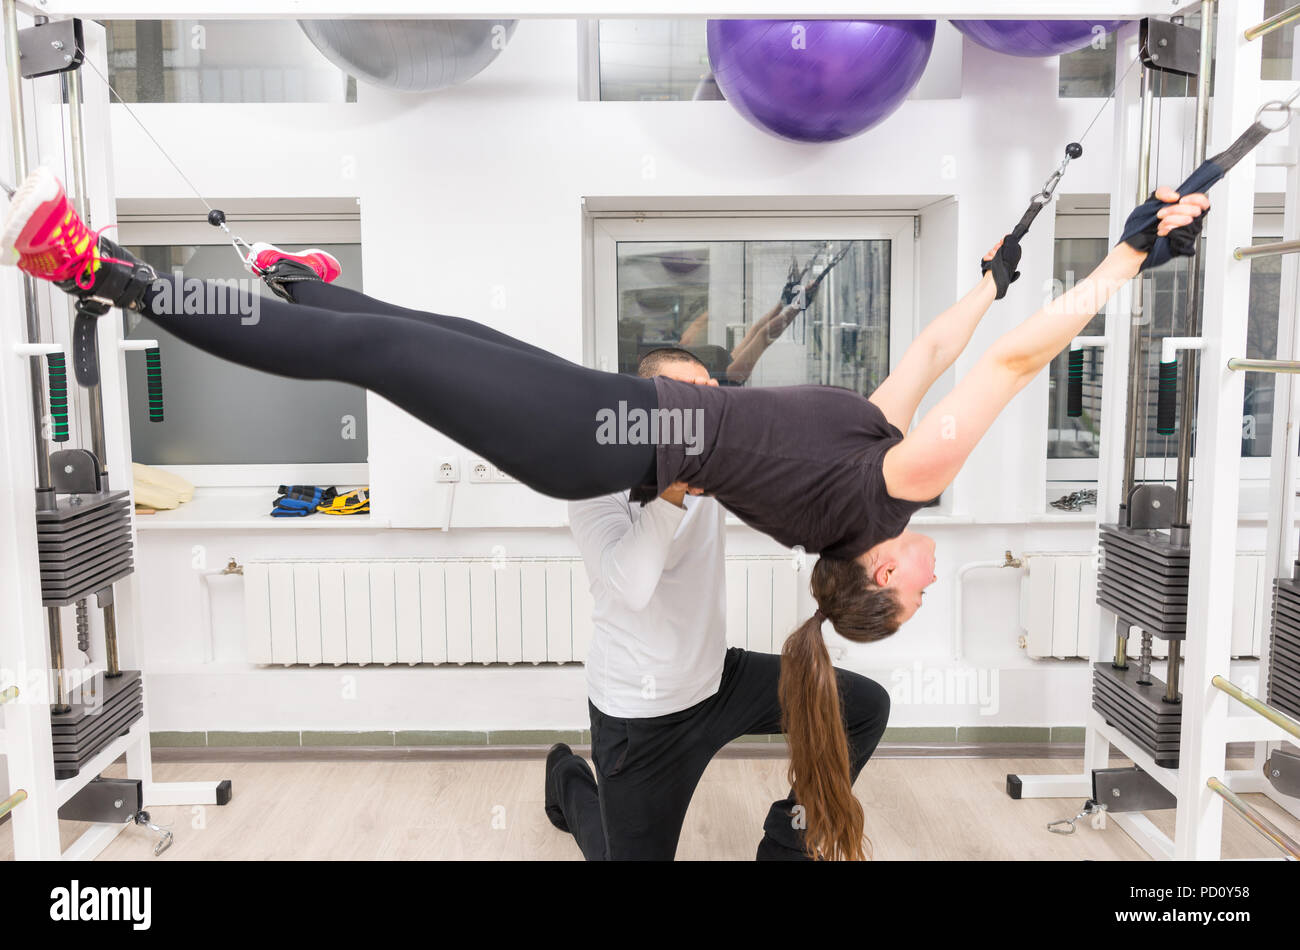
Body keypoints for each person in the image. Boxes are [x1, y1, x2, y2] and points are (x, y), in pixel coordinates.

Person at [2, 165, 1209, 858]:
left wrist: (1118, 266)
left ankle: (99, 268)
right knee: (430, 334)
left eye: (919, 592)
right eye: (930, 584)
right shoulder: (879, 449)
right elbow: (951, 352)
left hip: (590, 442)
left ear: (878, 575)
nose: (934, 578)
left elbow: (1004, 375)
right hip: (607, 413)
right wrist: (994, 276)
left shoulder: (877, 495)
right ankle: (306, 287)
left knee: (376, 353)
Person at [551, 346, 890, 860]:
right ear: (647, 410)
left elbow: (812, 455)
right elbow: (631, 586)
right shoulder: (592, 478)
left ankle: (786, 843)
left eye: (709, 394)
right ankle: (569, 778)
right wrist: (674, 487)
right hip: (640, 716)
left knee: (862, 708)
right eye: (688, 395)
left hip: (717, 681)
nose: (705, 410)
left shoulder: (718, 458)